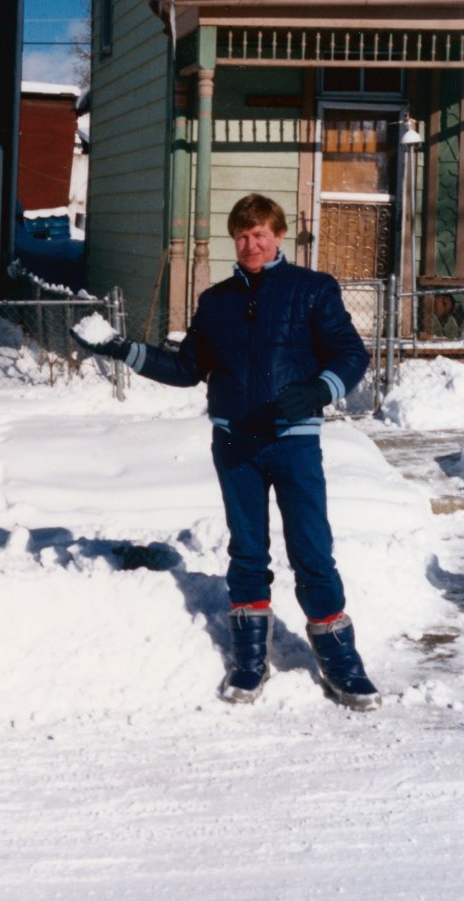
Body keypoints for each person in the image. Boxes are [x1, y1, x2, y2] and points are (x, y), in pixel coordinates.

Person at [72, 193, 380, 711]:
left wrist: (318, 389)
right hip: (235, 441)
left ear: (278, 235)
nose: (250, 244)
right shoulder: (216, 302)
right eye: (241, 236)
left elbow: (351, 354)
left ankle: (341, 662)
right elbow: (187, 368)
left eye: (259, 234)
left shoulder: (313, 290)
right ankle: (249, 659)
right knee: (247, 550)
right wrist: (124, 350)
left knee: (312, 549)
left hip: (294, 441)